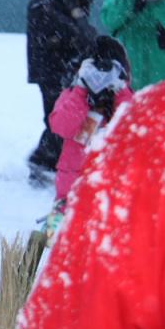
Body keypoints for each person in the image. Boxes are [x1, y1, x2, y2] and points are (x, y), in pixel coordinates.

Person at [21, 61, 165, 329]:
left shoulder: (157, 123)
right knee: (57, 240)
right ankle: (33, 264)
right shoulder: (157, 127)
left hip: (105, 197)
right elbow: (61, 125)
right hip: (72, 187)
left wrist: (117, 93)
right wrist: (83, 93)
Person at [42, 36, 133, 240]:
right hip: (70, 191)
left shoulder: (124, 99)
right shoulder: (74, 94)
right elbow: (62, 126)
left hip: (111, 189)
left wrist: (119, 89)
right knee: (56, 244)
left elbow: (130, 127)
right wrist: (82, 89)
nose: (101, 77)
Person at [25, 0, 99, 188]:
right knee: (59, 113)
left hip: (67, 59)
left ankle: (49, 160)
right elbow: (46, 18)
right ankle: (43, 161)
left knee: (67, 111)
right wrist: (80, 32)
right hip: (51, 60)